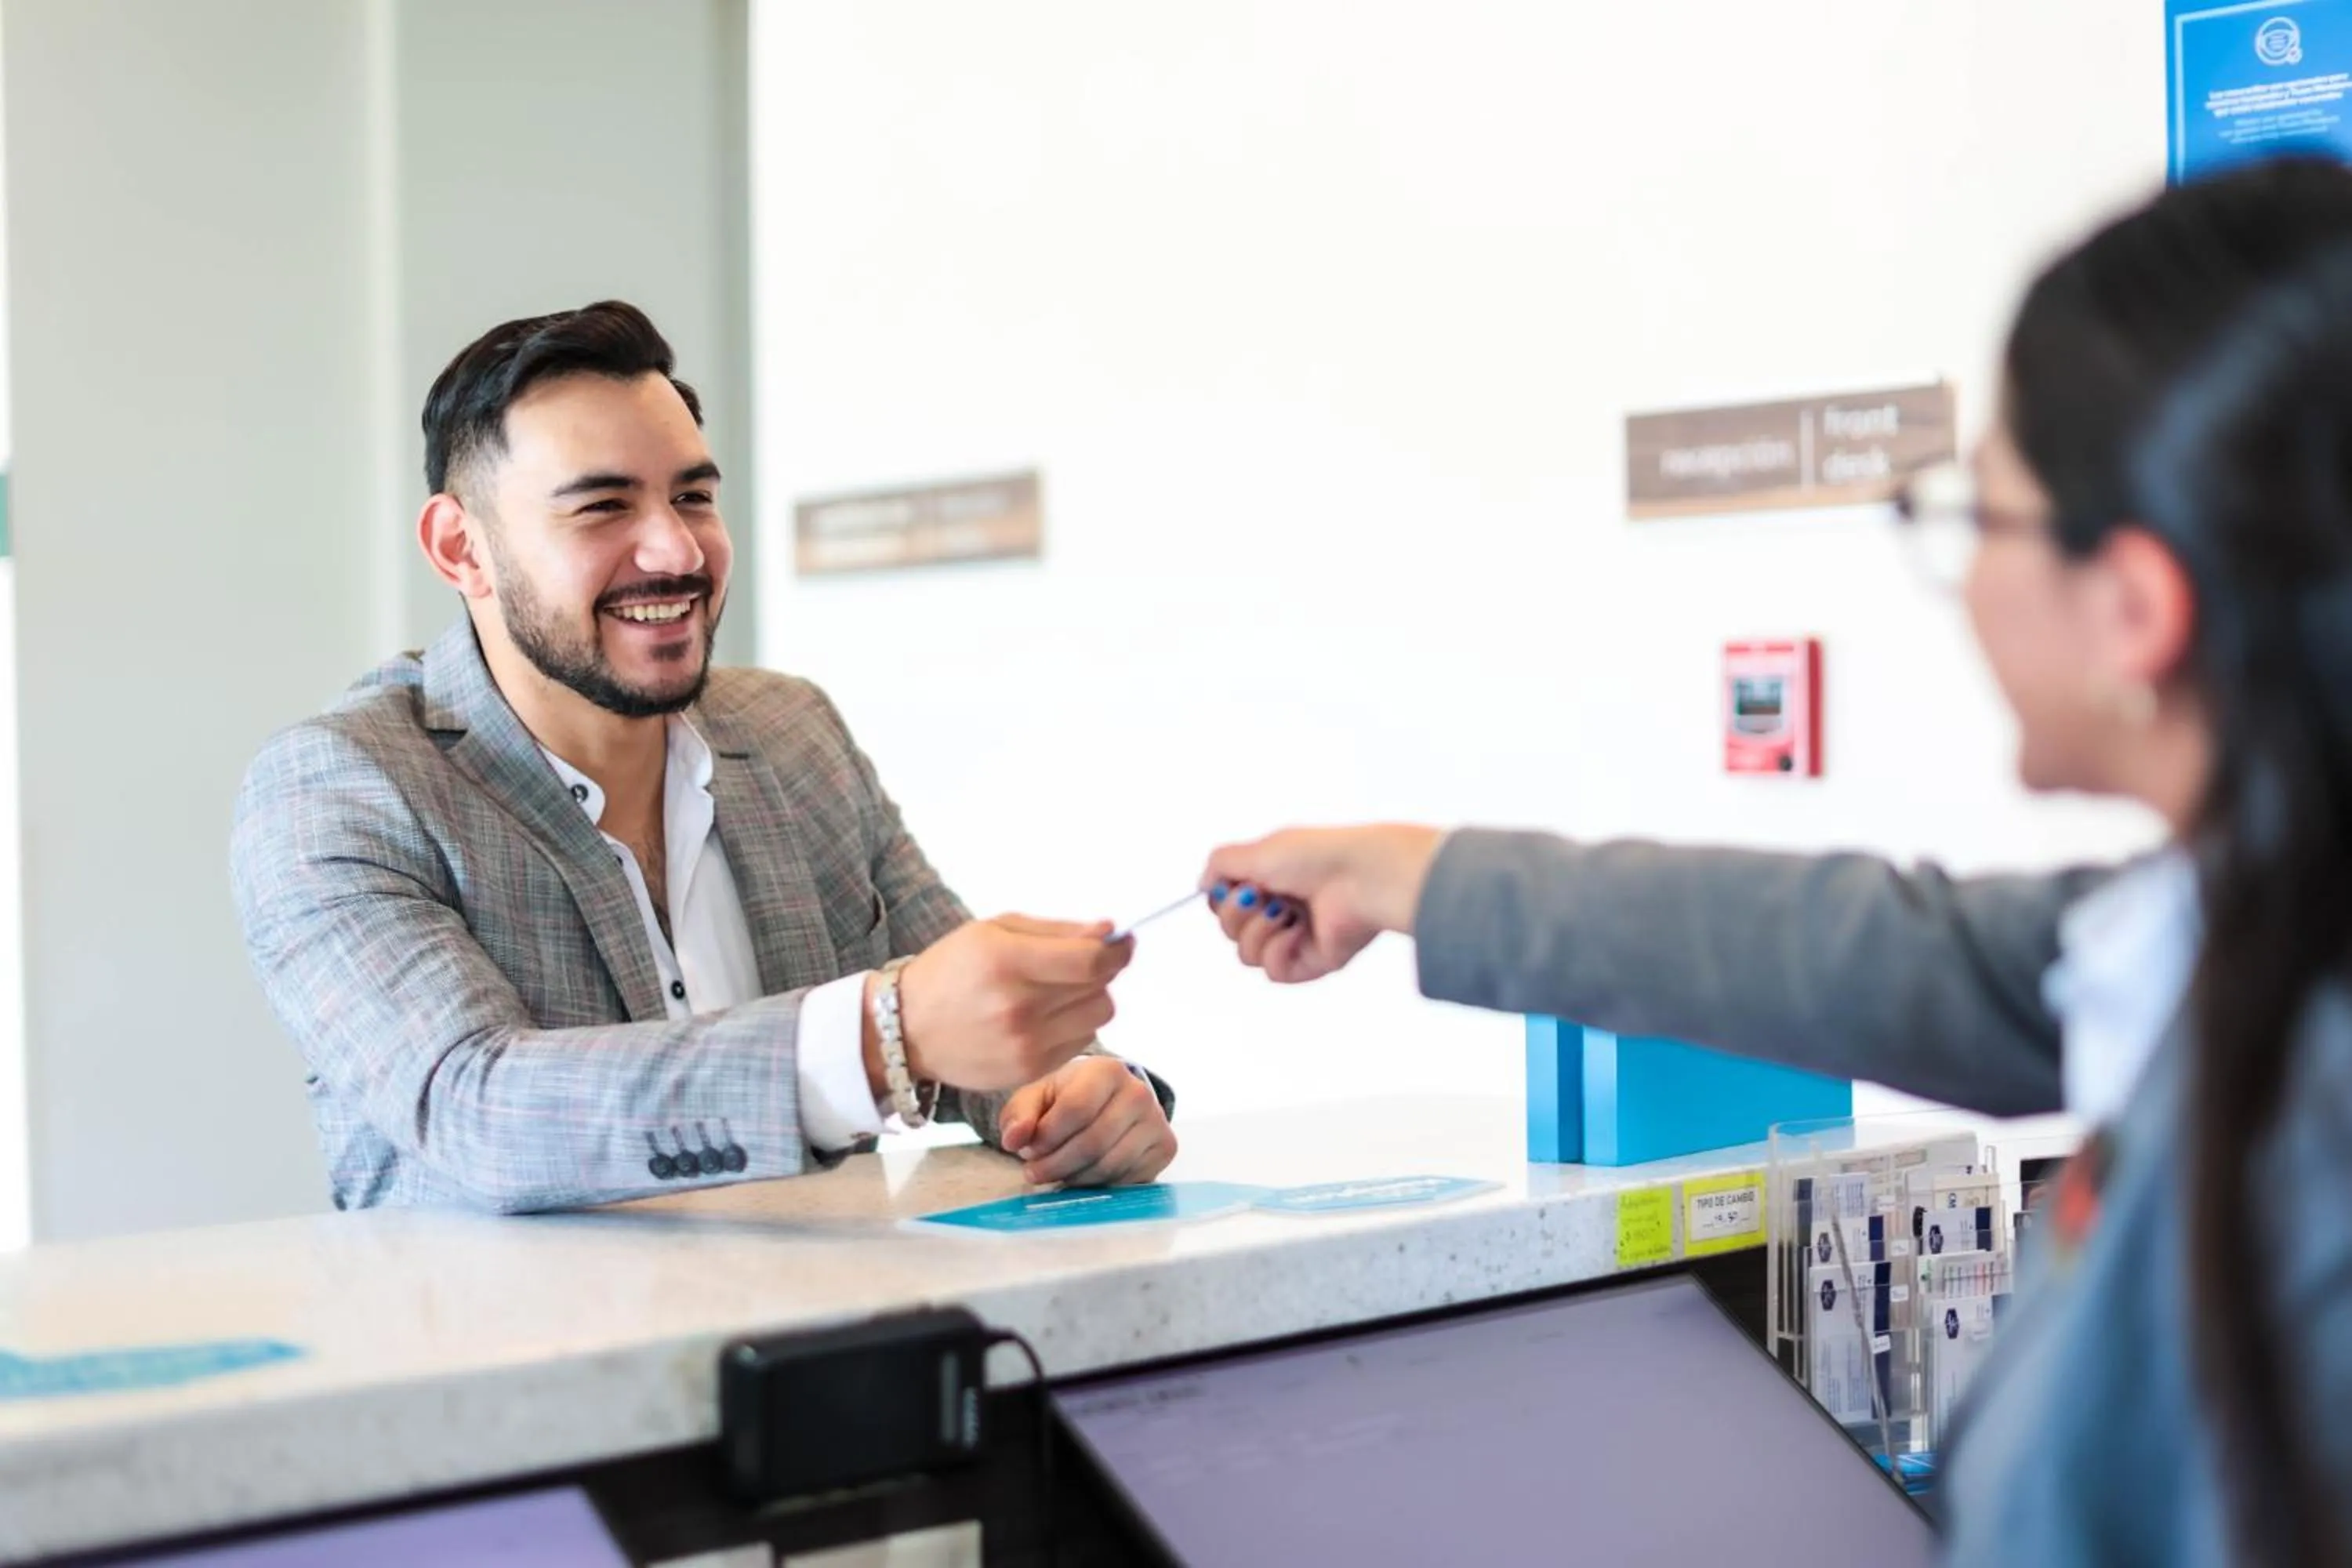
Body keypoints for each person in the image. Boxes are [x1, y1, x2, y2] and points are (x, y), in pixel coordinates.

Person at [1201, 158, 2352, 1566]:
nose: (1964, 581)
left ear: (2134, 608)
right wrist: (1406, 878)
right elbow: (1865, 951)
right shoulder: (2212, 937)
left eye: (1977, 519)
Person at [231, 302, 1174, 1214]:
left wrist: (1070, 1090)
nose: (676, 549)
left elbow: (952, 1001)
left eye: (693, 496)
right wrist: (880, 1036)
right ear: (461, 548)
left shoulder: (793, 731)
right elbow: (479, 1109)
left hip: (824, 1307)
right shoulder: (339, 787)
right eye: (603, 505)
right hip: (501, 1325)